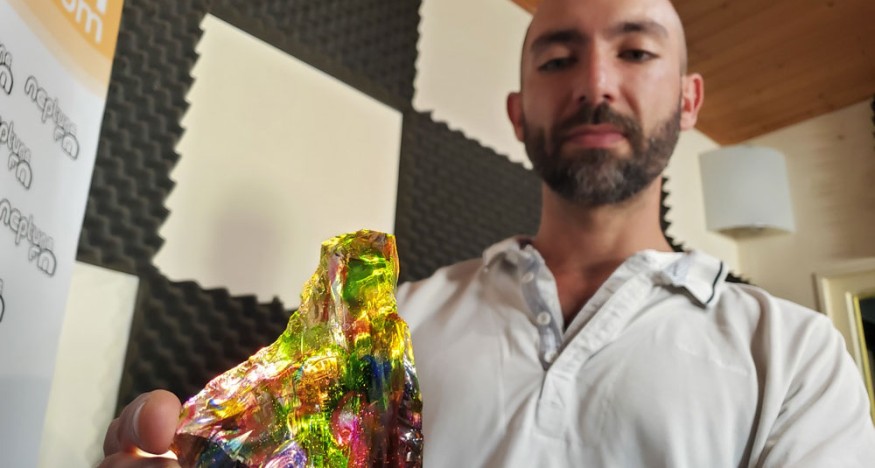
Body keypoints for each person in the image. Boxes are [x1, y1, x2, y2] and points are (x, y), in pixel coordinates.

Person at [100, 0, 875, 466]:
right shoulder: (393, 322)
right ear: (516, 113)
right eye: (557, 58)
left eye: (635, 52)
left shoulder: (795, 356)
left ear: (689, 99)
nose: (595, 83)